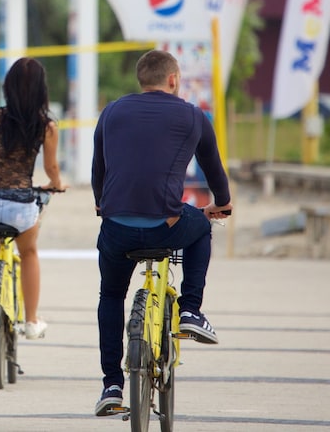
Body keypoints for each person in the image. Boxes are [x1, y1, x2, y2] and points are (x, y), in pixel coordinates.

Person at [91, 50, 232, 417]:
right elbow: (212, 166)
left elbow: (99, 168)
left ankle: (111, 384)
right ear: (173, 79)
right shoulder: (191, 115)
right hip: (165, 225)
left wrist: (100, 204)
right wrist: (224, 203)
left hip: (116, 227)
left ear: (141, 78)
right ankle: (191, 310)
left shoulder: (111, 112)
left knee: (110, 296)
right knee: (201, 227)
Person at [0, 57, 66, 340]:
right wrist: (56, 184)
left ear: (8, 87)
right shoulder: (46, 125)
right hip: (20, 207)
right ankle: (31, 320)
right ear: (42, 90)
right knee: (28, 252)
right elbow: (51, 168)